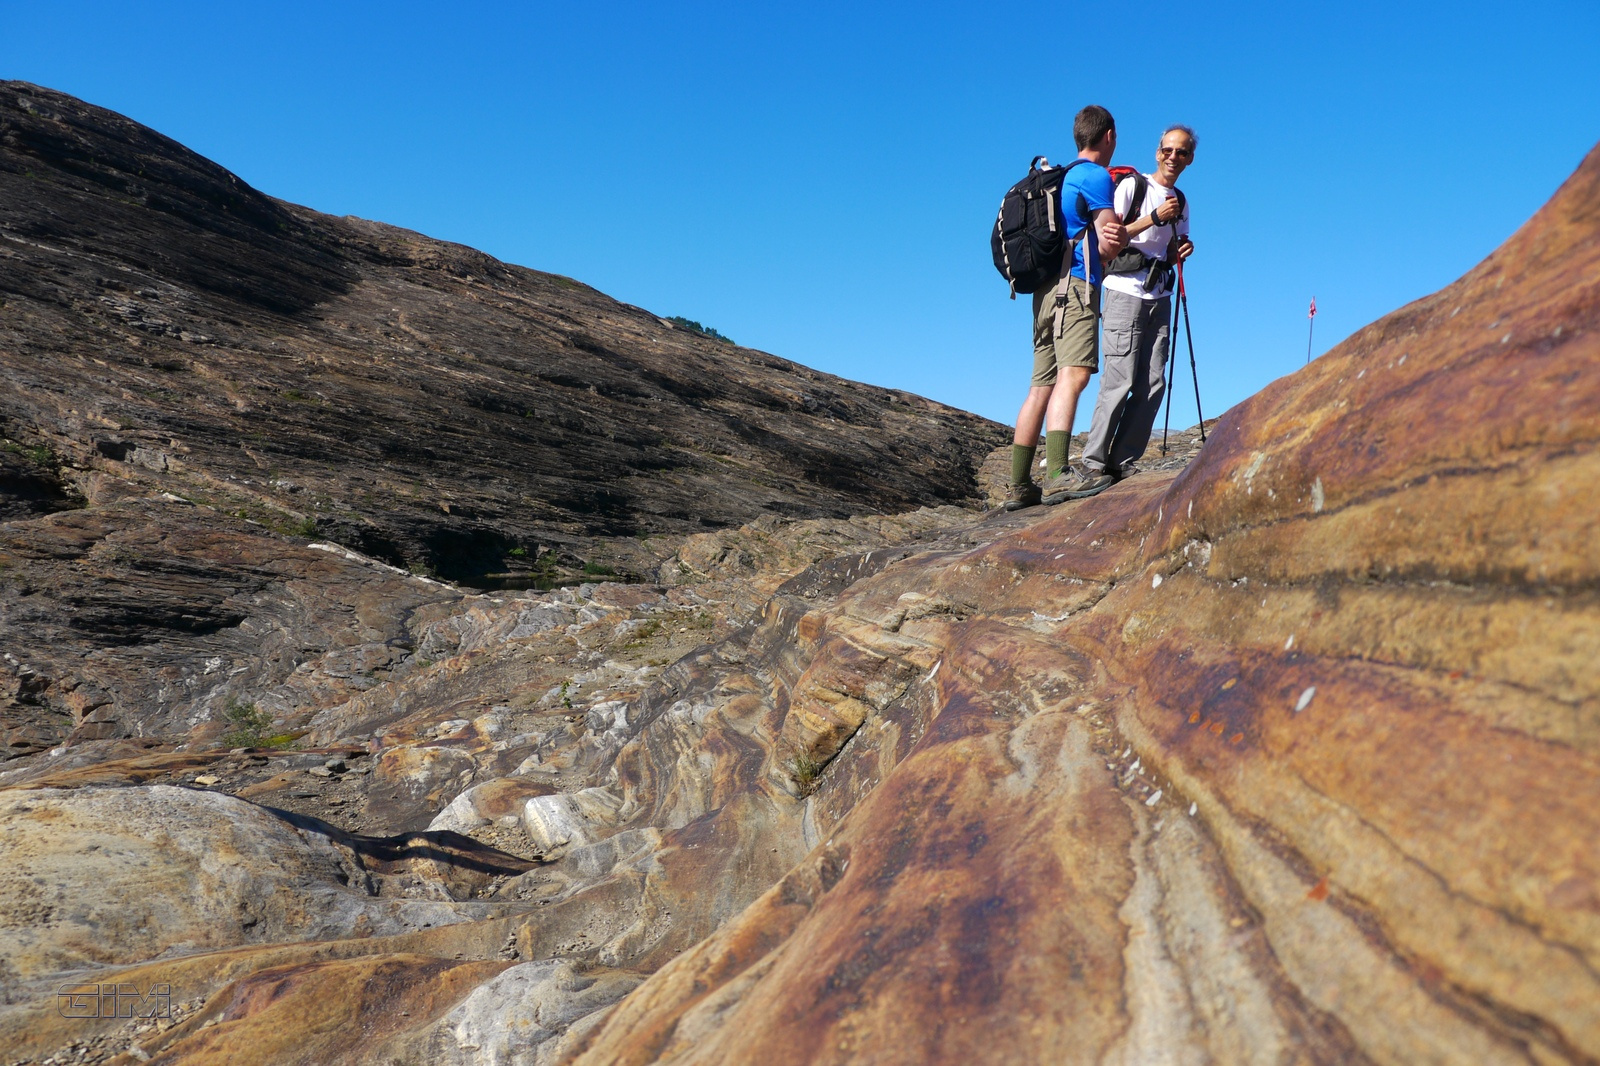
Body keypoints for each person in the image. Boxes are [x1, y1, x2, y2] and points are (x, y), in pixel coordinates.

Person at [1004, 105, 1129, 510]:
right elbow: (1109, 243)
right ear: (1108, 135)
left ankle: (1019, 485)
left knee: (1040, 384)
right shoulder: (1094, 176)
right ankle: (1057, 474)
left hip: (1043, 293)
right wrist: (1127, 236)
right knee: (1073, 377)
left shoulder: (1058, 179)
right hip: (1074, 288)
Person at [1075, 125, 1196, 492]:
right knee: (1120, 378)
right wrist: (1155, 217)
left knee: (1153, 382)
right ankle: (1093, 463)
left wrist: (1180, 253)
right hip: (1124, 290)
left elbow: (1170, 248)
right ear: (1157, 151)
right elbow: (1112, 235)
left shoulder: (1182, 201)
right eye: (1168, 150)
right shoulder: (1134, 187)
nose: (1173, 157)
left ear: (1190, 158)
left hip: (1158, 295)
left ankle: (1122, 460)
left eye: (1182, 152)